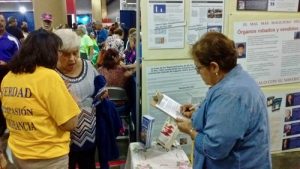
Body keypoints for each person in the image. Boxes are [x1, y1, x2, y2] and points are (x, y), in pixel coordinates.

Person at [176, 32, 271, 169]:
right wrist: (197, 112)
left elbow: (215, 148)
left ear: (214, 67)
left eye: (199, 68)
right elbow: (222, 117)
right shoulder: (235, 80)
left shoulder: (231, 95)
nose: (198, 73)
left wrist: (190, 130)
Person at [1, 29, 80, 169]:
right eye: (58, 52)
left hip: (17, 153)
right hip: (47, 157)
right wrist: (70, 96)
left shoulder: (9, 77)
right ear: (49, 52)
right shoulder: (48, 77)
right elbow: (69, 123)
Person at [54, 29, 99, 169]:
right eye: (66, 55)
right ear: (55, 53)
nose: (72, 58)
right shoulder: (51, 74)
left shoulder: (88, 66)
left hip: (89, 132)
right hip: (64, 138)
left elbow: (98, 86)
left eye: (75, 52)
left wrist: (102, 92)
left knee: (89, 164)